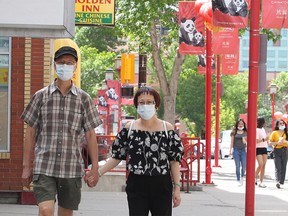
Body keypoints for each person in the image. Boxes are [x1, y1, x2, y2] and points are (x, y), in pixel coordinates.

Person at [21, 46, 102, 216]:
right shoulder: (41, 96)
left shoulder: (84, 99)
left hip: (71, 167)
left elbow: (90, 134)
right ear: (55, 65)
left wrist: (94, 168)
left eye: (70, 63)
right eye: (62, 62)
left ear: (75, 67)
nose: (65, 66)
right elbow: (30, 133)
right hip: (44, 165)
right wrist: (26, 166)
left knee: (65, 213)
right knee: (45, 210)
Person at [89, 86, 184, 216]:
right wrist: (98, 173)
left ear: (156, 104)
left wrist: (177, 188)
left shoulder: (167, 129)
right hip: (137, 184)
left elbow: (174, 161)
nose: (146, 105)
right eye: (142, 102)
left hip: (161, 184)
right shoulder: (130, 129)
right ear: (137, 105)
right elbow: (116, 156)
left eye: (149, 102)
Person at [269, 119, 288, 189]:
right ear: (277, 125)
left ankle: (281, 181)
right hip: (277, 150)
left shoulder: (286, 133)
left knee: (284, 166)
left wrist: (284, 141)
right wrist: (277, 143)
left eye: (283, 124)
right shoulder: (274, 133)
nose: (282, 125)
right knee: (278, 166)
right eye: (280, 123)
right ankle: (278, 181)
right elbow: (270, 142)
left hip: (284, 150)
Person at [229, 118, 247, 186]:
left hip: (243, 150)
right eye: (239, 123)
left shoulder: (246, 132)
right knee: (237, 165)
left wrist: (244, 140)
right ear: (237, 124)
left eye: (242, 124)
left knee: (244, 165)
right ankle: (238, 179)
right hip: (236, 150)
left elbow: (247, 142)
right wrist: (230, 151)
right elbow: (232, 142)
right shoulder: (234, 132)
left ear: (244, 125)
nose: (240, 125)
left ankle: (242, 176)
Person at [255, 117, 269, 188]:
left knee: (264, 165)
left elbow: (266, 139)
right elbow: (256, 141)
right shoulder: (256, 130)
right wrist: (264, 139)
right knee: (260, 164)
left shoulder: (263, 129)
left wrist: (267, 140)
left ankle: (261, 181)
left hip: (264, 148)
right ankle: (254, 177)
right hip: (258, 148)